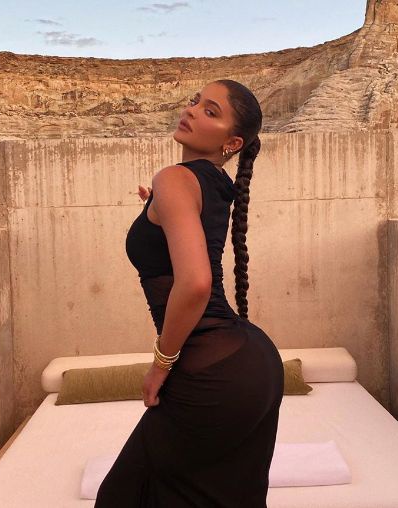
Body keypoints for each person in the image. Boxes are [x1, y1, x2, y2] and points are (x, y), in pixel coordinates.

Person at [94, 79, 284, 508]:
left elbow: (196, 284)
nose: (193, 110)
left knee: (122, 497)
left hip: (212, 367)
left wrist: (160, 364)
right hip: (252, 363)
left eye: (210, 111)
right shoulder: (213, 183)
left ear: (232, 143)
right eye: (196, 101)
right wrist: (156, 206)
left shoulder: (175, 179)